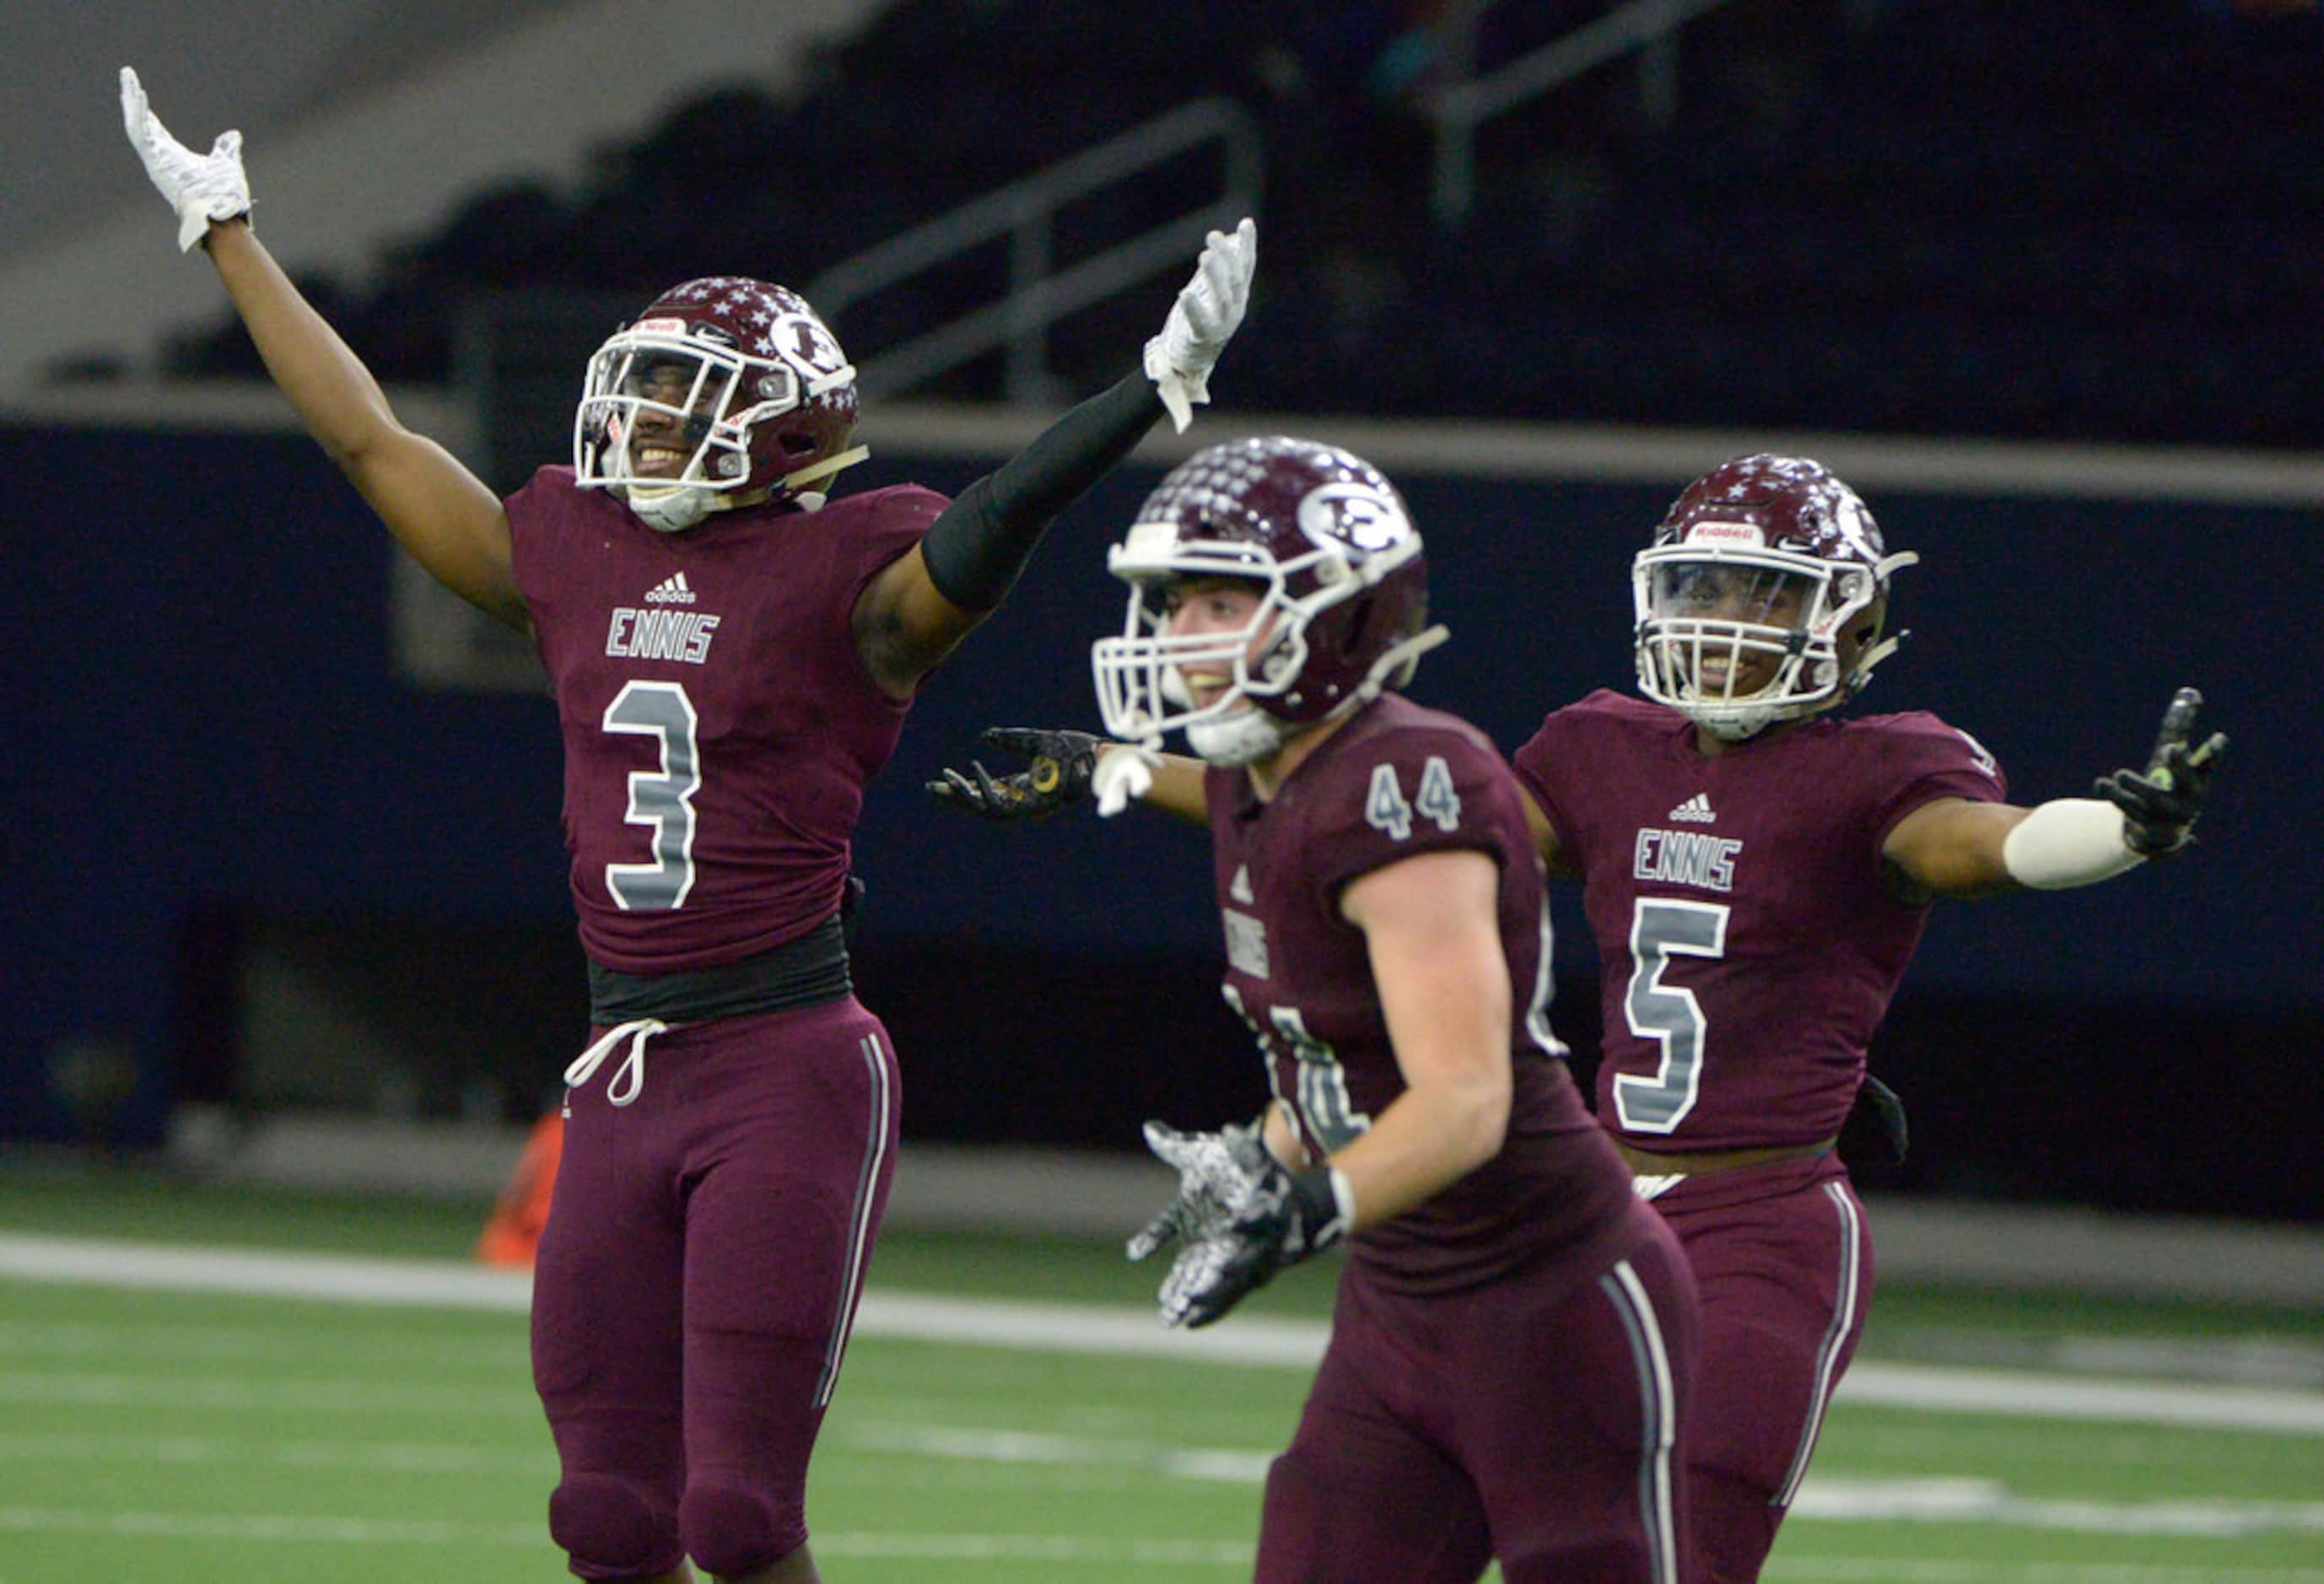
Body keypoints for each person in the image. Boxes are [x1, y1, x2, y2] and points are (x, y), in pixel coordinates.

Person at [121, 67, 1257, 1584]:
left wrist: (1143, 393)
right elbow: (376, 444)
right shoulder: (575, 549)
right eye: (642, 392)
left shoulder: (851, 577)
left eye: (686, 401)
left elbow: (987, 535)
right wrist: (228, 234)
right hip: (619, 1059)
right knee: (605, 1516)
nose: (647, 424)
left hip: (783, 1061)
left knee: (737, 1518)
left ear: (784, 434)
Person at [930, 451, 2224, 1582]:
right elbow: (1403, 823)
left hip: (1754, 1225)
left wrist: (2119, 830)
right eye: (1706, 588)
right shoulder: (1602, 746)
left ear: (1851, 616)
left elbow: (1983, 845)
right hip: (1575, 1208)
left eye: (1765, 592)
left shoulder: (1880, 768)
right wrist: (1117, 767)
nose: (1725, 620)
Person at [1080, 435, 1699, 1581]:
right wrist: (1264, 1150)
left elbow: (1464, 1096)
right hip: (1400, 1300)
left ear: (1333, 614)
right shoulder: (1251, 776)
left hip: (1548, 1294)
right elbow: (1336, 1050)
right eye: (1173, 604)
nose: (1178, 638)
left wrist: (1307, 1204)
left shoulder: (1401, 779)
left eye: (1222, 600)